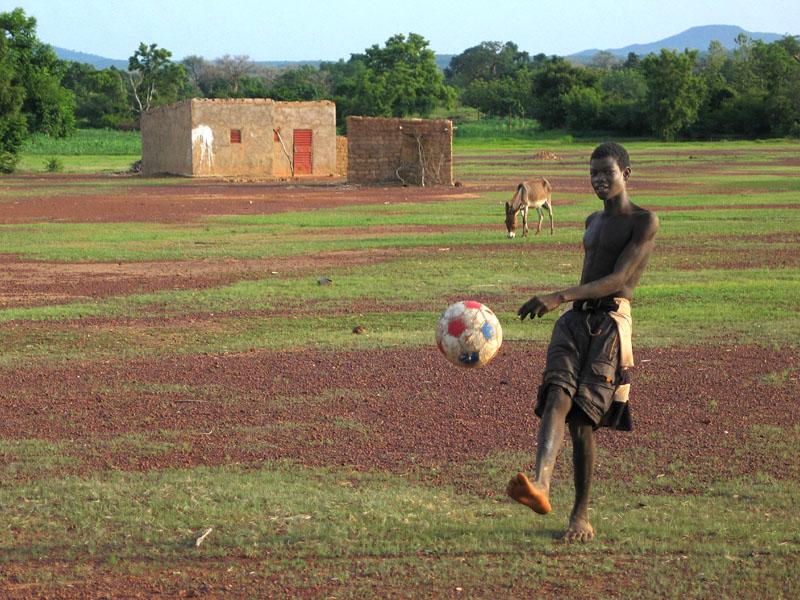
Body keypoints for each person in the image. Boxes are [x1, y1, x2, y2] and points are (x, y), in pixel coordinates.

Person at [507, 142, 658, 542]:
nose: (599, 180)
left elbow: (620, 279)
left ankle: (580, 515)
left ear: (627, 172)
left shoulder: (643, 221)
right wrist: (568, 304)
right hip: (575, 321)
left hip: (609, 323)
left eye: (607, 172)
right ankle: (540, 483)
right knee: (556, 396)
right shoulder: (592, 220)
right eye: (593, 173)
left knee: (582, 422)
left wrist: (558, 296)